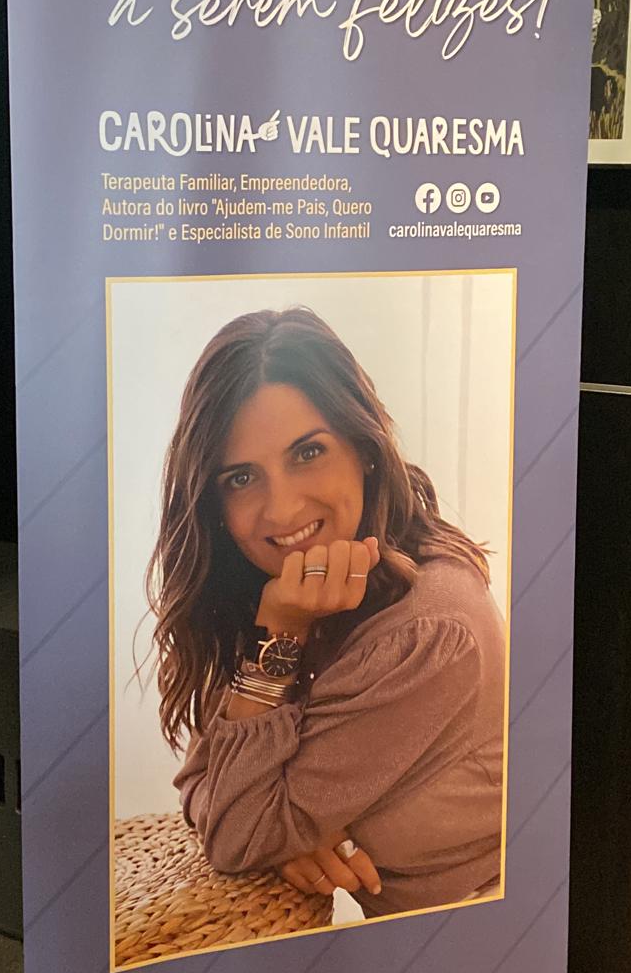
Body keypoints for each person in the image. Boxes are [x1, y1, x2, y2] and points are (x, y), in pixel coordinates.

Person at [146, 306, 505, 920]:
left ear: (364, 448)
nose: (283, 509)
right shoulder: (295, 593)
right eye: (241, 478)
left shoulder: (425, 633)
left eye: (308, 452)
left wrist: (279, 638)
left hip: (476, 946)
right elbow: (203, 785)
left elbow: (233, 830)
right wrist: (284, 836)